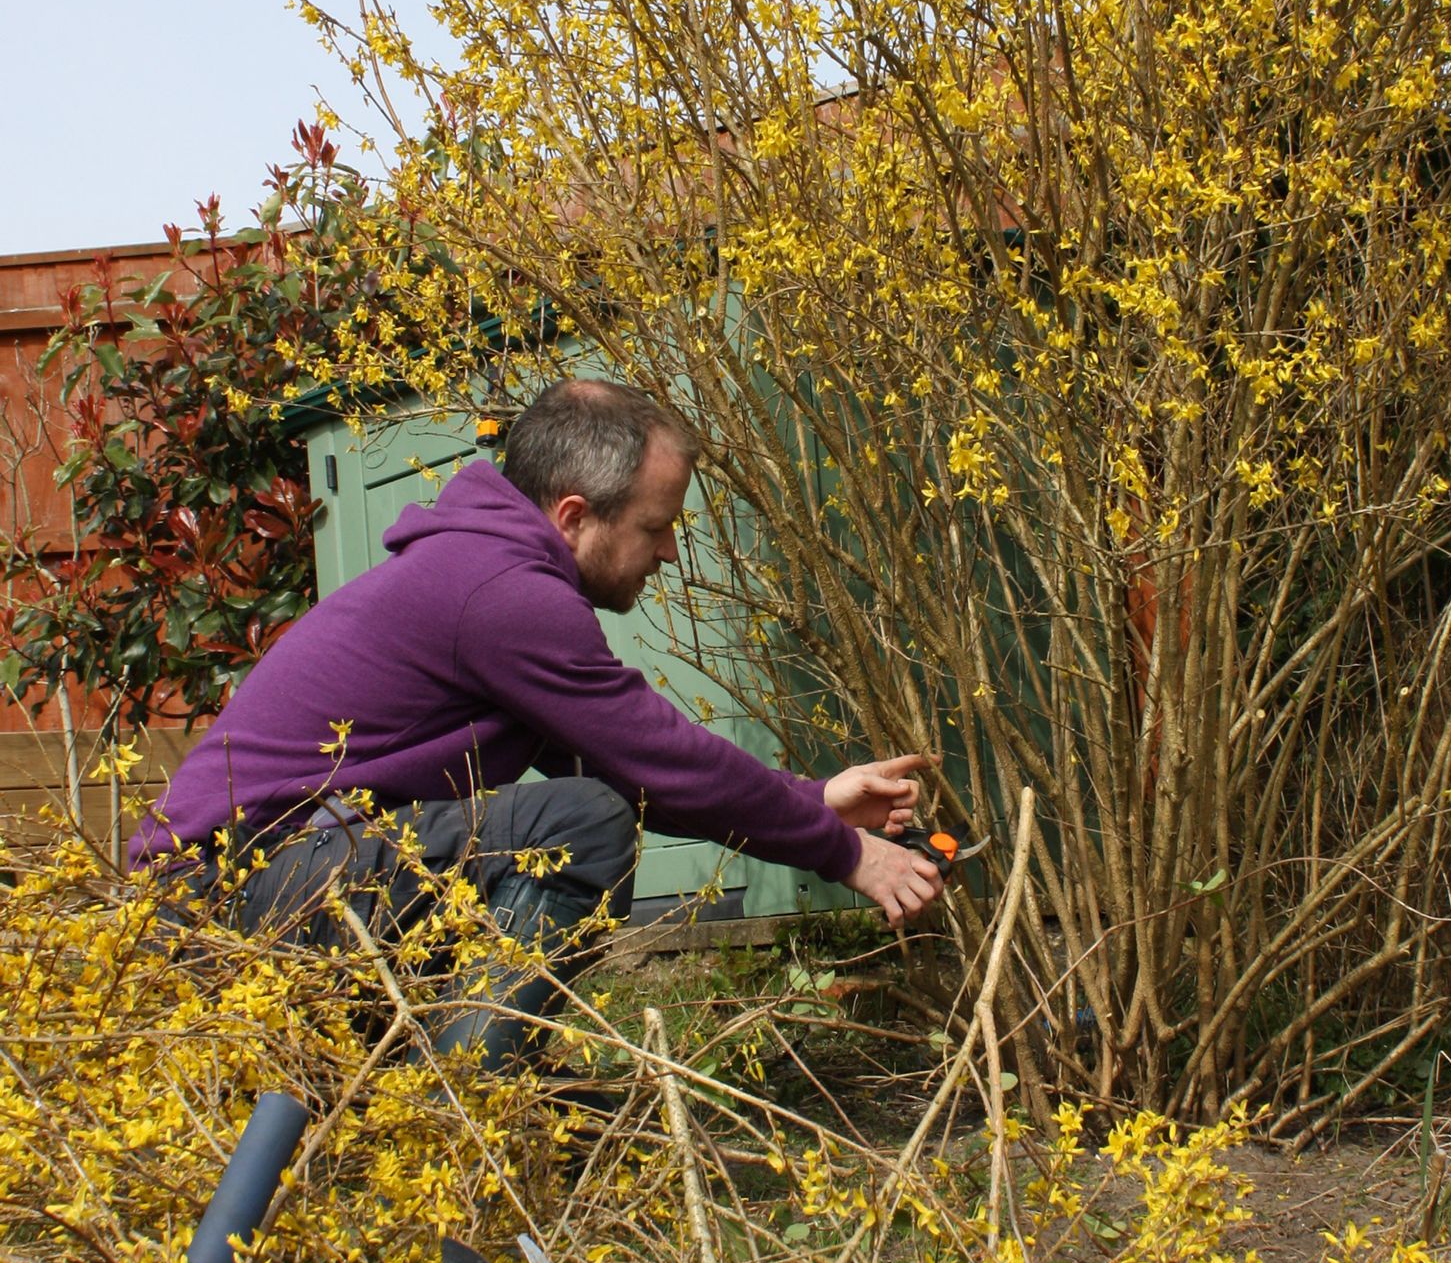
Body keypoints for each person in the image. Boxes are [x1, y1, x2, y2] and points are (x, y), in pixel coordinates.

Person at [132, 379, 945, 1066]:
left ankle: (420, 1086)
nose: (668, 551)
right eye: (655, 526)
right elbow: (662, 759)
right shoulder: (503, 595)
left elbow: (629, 767)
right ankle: (462, 1102)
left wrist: (813, 799)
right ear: (574, 516)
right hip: (222, 895)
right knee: (579, 826)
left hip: (268, 879)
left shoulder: (482, 567)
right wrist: (846, 854)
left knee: (574, 811)